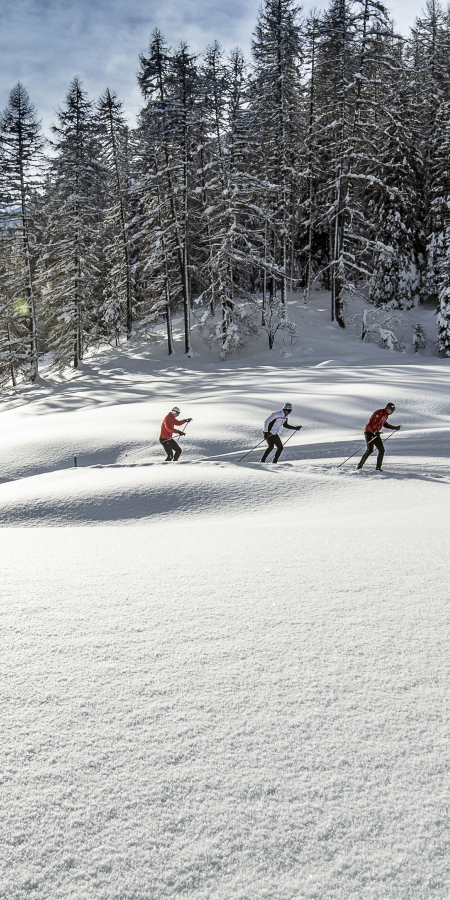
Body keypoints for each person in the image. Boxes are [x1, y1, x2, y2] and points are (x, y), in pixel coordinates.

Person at [356, 402, 401, 471]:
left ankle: (378, 468)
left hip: (376, 433)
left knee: (381, 450)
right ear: (388, 408)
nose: (392, 412)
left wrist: (394, 427)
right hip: (369, 432)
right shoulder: (379, 413)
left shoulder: (386, 415)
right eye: (392, 410)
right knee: (370, 449)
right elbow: (370, 424)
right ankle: (359, 466)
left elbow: (384, 424)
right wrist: (374, 432)